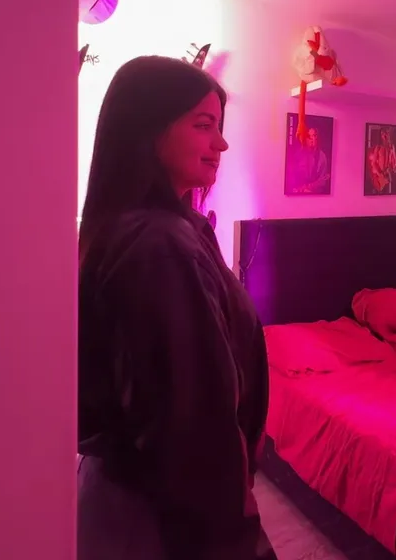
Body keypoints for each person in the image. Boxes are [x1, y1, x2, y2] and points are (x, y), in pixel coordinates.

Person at [77, 55, 275, 560]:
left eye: (220, 127)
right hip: (159, 511)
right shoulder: (158, 244)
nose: (221, 144)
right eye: (203, 125)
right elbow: (189, 419)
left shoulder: (171, 228)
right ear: (148, 129)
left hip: (141, 493)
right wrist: (235, 532)